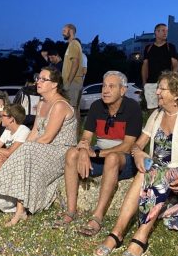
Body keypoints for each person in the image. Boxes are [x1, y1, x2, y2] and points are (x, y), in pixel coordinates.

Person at [93, 71, 178, 256]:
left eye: (162, 89)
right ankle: (117, 232)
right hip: (160, 169)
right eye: (158, 88)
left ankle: (141, 236)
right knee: (145, 174)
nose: (157, 93)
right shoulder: (156, 114)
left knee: (156, 173)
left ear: (177, 94)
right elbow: (137, 144)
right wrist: (138, 154)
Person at [0, 67, 77, 226]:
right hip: (43, 149)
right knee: (23, 150)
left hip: (60, 151)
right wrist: (21, 150)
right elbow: (34, 132)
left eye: (43, 79)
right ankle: (20, 212)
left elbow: (47, 138)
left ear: (54, 84)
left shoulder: (60, 105)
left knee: (24, 150)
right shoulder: (42, 103)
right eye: (38, 78)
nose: (38, 82)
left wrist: (21, 151)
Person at [54, 71, 143, 236]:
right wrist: (82, 151)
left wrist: (94, 154)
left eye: (111, 86)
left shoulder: (132, 108)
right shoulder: (97, 106)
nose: (105, 90)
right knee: (71, 154)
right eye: (104, 86)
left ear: (122, 90)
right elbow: (86, 137)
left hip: (125, 159)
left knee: (112, 158)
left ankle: (97, 216)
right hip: (99, 153)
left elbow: (127, 145)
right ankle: (70, 211)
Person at [141, 23, 178, 110]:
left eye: (166, 31)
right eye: (163, 30)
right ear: (156, 32)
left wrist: (171, 81)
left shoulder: (170, 47)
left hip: (166, 84)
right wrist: (144, 82)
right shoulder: (148, 48)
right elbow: (145, 66)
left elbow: (175, 66)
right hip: (151, 83)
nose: (165, 33)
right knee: (152, 109)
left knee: (165, 108)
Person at [61, 23, 85, 113]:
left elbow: (75, 63)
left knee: (72, 110)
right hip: (73, 83)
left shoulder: (74, 44)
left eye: (64, 30)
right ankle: (77, 127)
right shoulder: (71, 45)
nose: (62, 33)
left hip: (73, 83)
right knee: (74, 110)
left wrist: (68, 83)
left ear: (71, 31)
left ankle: (74, 127)